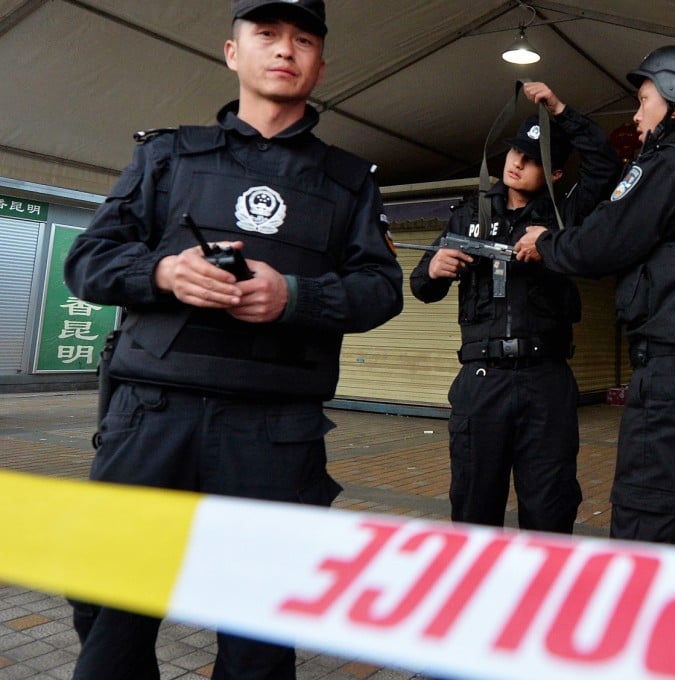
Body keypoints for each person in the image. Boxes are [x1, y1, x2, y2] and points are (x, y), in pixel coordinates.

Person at [62, 1, 402, 677]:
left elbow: (381, 288)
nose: (284, 50)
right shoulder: (165, 155)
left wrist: (295, 295)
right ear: (231, 52)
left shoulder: (349, 180)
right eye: (268, 35)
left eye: (303, 40)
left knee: (258, 630)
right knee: (107, 610)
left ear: (320, 65)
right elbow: (87, 262)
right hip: (152, 417)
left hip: (274, 431)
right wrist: (163, 271)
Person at [515, 46, 675, 548]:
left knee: (653, 533)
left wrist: (545, 243)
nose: (637, 113)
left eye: (645, 99)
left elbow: (606, 239)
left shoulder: (672, 165)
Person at [410, 82, 620, 533]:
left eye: (530, 160)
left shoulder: (565, 216)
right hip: (482, 380)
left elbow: (605, 165)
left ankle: (540, 596)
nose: (516, 164)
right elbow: (421, 287)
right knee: (473, 505)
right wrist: (435, 269)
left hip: (545, 379)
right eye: (513, 154)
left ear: (556, 173)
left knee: (550, 505)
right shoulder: (469, 214)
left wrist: (561, 110)